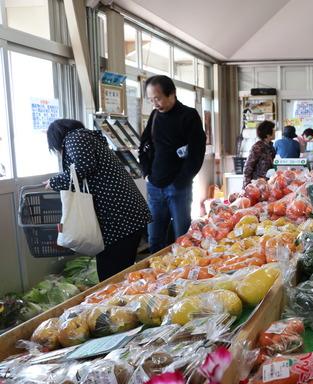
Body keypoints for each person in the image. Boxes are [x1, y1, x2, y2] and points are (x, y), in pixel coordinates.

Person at [45, 119, 151, 281]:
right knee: (121, 273)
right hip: (127, 216)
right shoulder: (89, 138)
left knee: (111, 277)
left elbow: (84, 166)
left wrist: (54, 182)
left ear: (57, 137)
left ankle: (119, 305)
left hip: (119, 220)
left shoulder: (75, 137)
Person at [139, 75, 206, 254]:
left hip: (178, 187)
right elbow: (144, 145)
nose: (155, 103)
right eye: (151, 99)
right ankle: (155, 277)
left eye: (158, 98)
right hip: (154, 185)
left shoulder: (188, 116)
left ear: (172, 94)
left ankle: (180, 274)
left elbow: (197, 153)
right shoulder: (154, 116)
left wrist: (181, 180)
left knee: (181, 236)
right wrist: (146, 173)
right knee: (154, 237)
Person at [243, 120, 276, 187]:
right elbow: (248, 168)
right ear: (268, 135)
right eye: (273, 130)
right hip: (257, 185)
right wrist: (246, 186)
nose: (275, 132)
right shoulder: (258, 147)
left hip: (268, 183)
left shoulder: (271, 147)